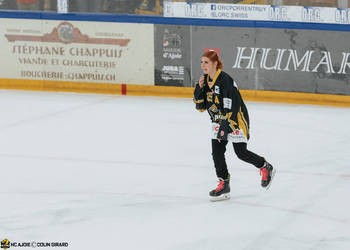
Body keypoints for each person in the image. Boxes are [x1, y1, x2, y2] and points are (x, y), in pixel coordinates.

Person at [193, 50, 276, 201]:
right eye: (202, 62)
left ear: (215, 63)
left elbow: (233, 106)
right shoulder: (204, 81)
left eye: (206, 62)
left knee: (241, 152)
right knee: (216, 152)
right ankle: (224, 184)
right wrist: (198, 89)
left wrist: (225, 128)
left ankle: (265, 166)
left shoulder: (225, 80)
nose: (203, 65)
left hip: (235, 119)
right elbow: (200, 107)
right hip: (218, 121)